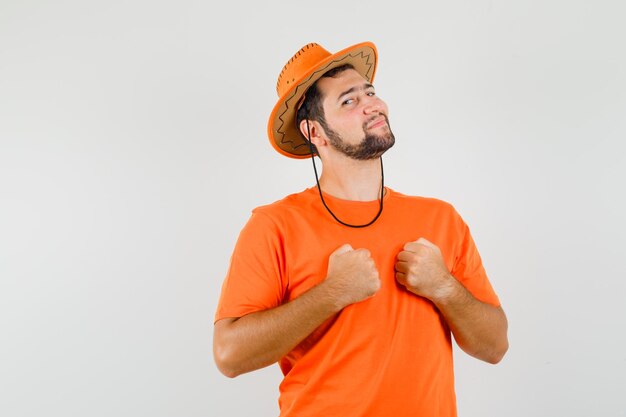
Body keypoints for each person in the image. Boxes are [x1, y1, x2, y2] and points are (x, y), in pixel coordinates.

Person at [213, 41, 508, 417]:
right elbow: (229, 355)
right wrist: (331, 293)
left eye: (370, 92)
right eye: (349, 101)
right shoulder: (275, 225)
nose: (373, 104)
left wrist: (443, 287)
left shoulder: (440, 219)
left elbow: (495, 346)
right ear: (314, 132)